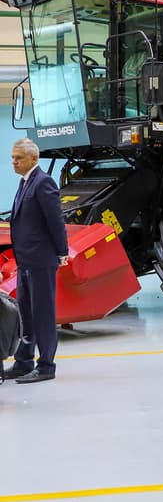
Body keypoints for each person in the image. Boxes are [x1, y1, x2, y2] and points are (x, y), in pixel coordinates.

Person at [3, 139, 68, 383]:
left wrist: (62, 252)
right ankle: (23, 362)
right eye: (13, 157)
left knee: (43, 315)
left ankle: (46, 366)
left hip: (41, 261)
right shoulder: (25, 182)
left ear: (34, 159)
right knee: (25, 315)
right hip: (26, 261)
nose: (14, 162)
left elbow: (55, 220)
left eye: (19, 158)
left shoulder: (43, 182)